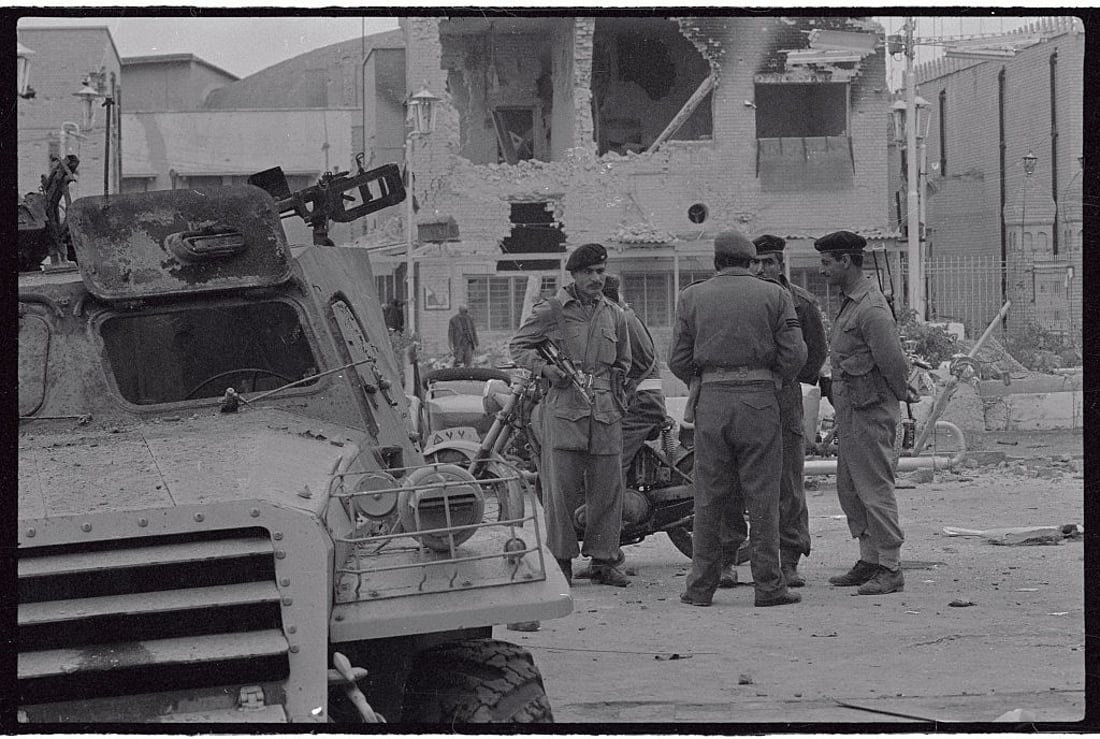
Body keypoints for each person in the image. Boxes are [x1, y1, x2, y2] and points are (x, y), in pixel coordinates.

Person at [669, 229, 806, 608]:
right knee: (763, 497)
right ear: (751, 262)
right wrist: (774, 377)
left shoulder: (691, 296)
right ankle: (769, 585)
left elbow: (677, 358)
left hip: (712, 402)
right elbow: (796, 353)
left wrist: (702, 379)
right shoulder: (775, 295)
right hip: (760, 402)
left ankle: (700, 587)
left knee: (709, 497)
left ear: (716, 261)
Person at [510, 243, 632, 587]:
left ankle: (604, 561)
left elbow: (624, 362)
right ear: (574, 275)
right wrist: (545, 369)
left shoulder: (614, 313)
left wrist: (615, 390)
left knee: (608, 490)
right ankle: (561, 560)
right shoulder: (552, 310)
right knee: (559, 492)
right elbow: (518, 346)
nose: (596, 278)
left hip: (605, 411)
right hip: (565, 408)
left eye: (600, 271)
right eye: (588, 272)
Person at [814, 230, 910, 596]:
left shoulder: (870, 308)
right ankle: (870, 560)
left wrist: (898, 397)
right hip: (852, 410)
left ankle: (891, 566)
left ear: (846, 261)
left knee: (874, 488)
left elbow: (893, 363)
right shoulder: (851, 302)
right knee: (851, 488)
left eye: (827, 263)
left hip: (870, 410)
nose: (822, 270)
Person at [747, 234, 828, 588]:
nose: (762, 269)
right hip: (747, 396)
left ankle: (790, 559)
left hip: (784, 397)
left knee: (789, 484)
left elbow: (816, 353)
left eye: (769, 262)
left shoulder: (802, 303)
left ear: (781, 265)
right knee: (737, 482)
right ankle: (730, 558)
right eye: (756, 262)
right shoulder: (743, 300)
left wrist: (789, 378)